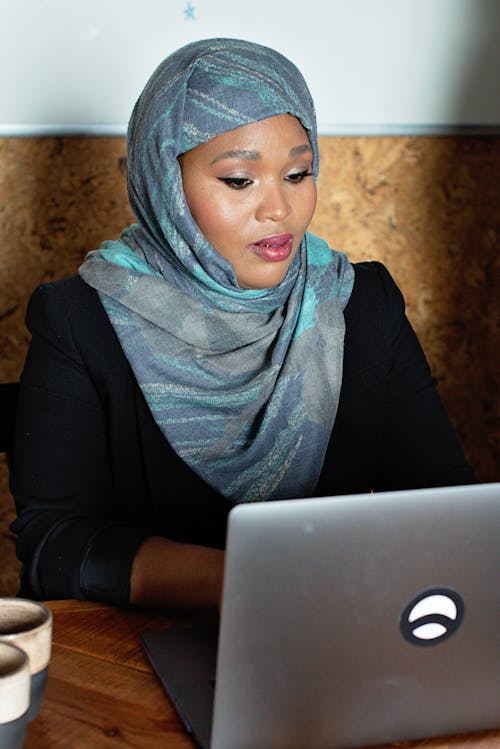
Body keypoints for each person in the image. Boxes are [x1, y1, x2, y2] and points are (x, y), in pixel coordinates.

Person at [11, 38, 474, 611]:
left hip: (331, 647)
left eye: (298, 173)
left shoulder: (359, 304)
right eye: (239, 180)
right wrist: (254, 582)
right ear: (166, 184)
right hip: (136, 656)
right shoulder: (79, 319)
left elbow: (449, 511)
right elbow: (56, 546)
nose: (279, 209)